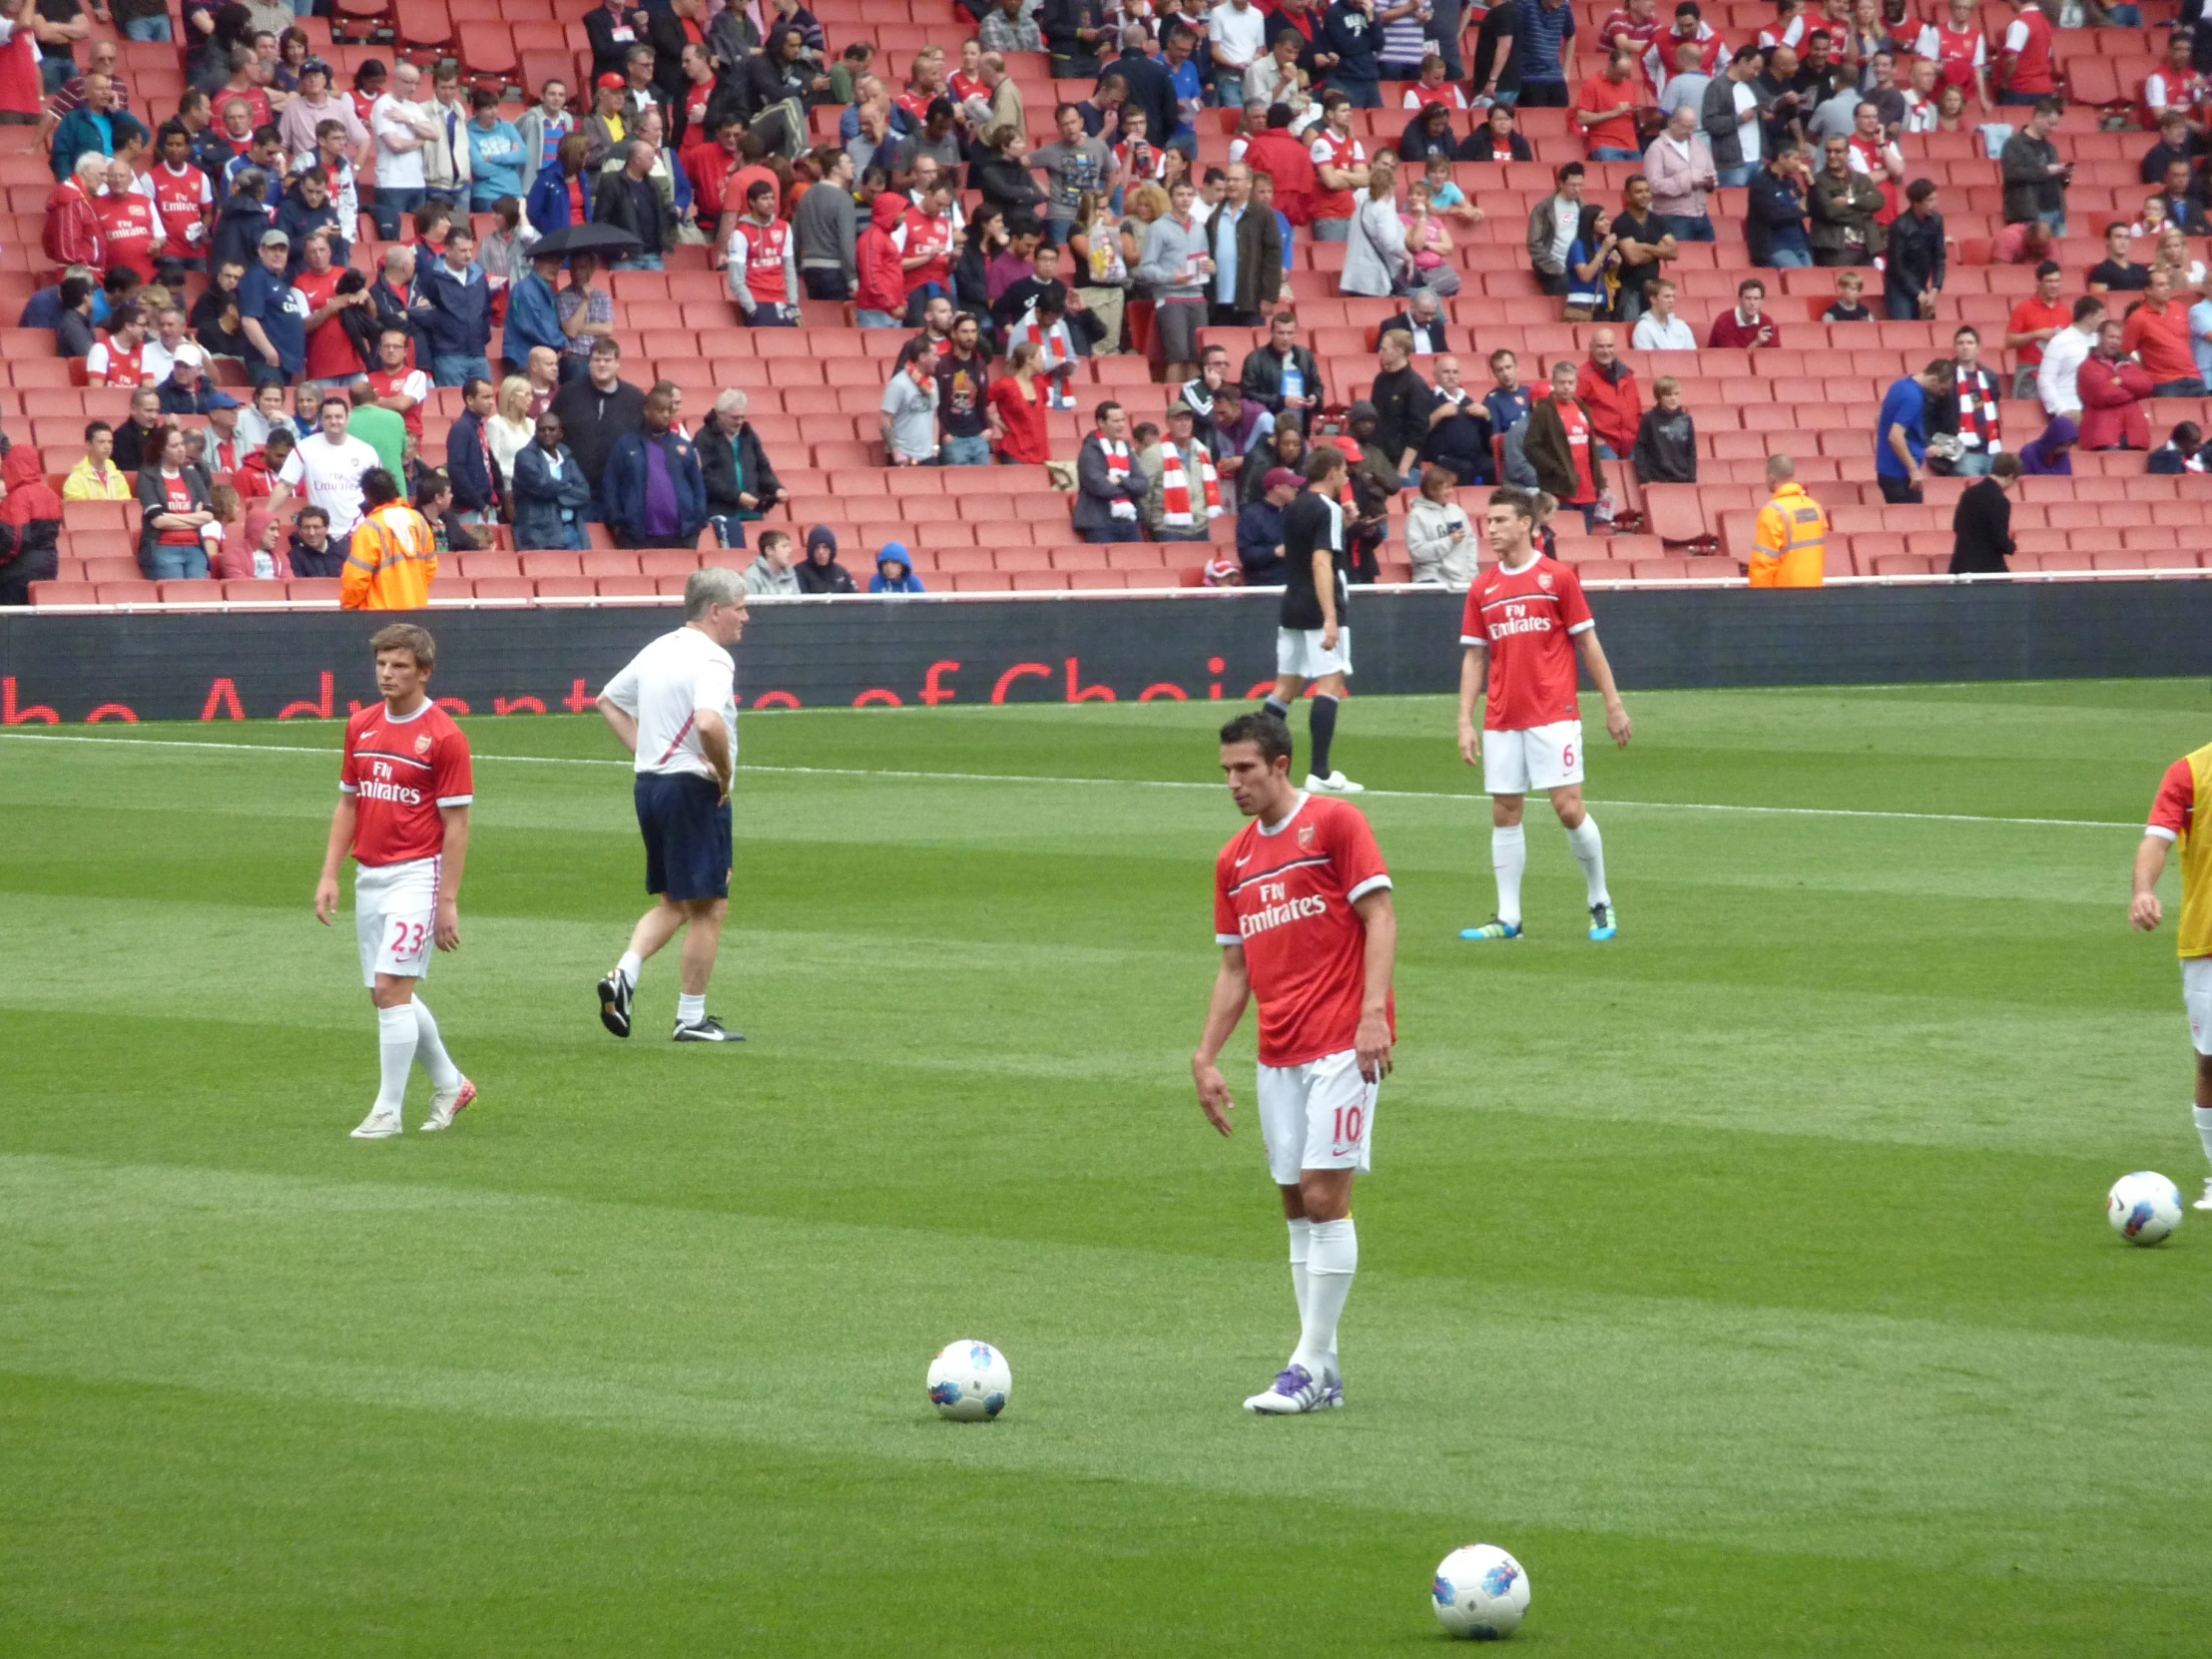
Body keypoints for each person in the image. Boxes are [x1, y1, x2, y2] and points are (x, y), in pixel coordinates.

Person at [1192, 708, 1394, 1417]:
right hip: (1277, 1050)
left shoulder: (1335, 825)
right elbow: (1235, 967)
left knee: (1321, 1195)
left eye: (1245, 769)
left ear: (1280, 765)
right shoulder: (1235, 859)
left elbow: (1381, 916)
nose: (1234, 783)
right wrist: (1207, 1054)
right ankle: (1325, 1370)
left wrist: (1374, 1013)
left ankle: (1306, 1363)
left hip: (1343, 1040)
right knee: (1292, 1205)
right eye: (1226, 772)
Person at [310, 625, 476, 1139]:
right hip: (370, 875)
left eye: (400, 666)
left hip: (417, 875)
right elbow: (348, 803)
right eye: (382, 664)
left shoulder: (445, 737)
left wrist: (446, 900)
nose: (387, 674)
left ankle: (387, 1110)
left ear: (425, 672)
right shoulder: (360, 724)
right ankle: (452, 1084)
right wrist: (329, 873)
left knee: (390, 988)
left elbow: (457, 825)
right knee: (385, 995)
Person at [1457, 485, 1630, 943]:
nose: (1490, 529)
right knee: (1505, 811)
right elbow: (1475, 657)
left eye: (1499, 521)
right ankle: (1509, 919)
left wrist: (1612, 704)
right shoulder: (1483, 588)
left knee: (1568, 808)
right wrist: (1464, 721)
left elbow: (1588, 643)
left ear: (1526, 525)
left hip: (1554, 713)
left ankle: (1600, 900)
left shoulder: (1558, 578)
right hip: (1502, 717)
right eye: (1488, 521)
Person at [594, 570, 748, 1044]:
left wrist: (648, 753)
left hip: (651, 788)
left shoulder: (658, 647)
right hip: (692, 791)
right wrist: (723, 774)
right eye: (740, 607)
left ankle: (624, 976)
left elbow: (608, 700)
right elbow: (708, 721)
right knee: (709, 906)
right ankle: (691, 1018)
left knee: (675, 901)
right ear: (715, 610)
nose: (746, 616)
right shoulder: (713, 659)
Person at [2128, 730, 2212, 1214]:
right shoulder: (2189, 773)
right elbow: (2156, 840)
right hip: (2207, 942)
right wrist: (2143, 890)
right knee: (2210, 1062)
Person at [1266, 447, 1362, 796]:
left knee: (1284, 689)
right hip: (1318, 607)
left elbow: (1302, 552)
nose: (1347, 476)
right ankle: (1319, 771)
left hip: (1291, 604)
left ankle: (1259, 763)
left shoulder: (1295, 508)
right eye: (1345, 470)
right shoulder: (1328, 509)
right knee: (1330, 684)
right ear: (1332, 471)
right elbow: (1321, 563)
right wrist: (1331, 618)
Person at [549, 337, 647, 516]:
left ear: (617, 363)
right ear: (589, 363)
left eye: (607, 360)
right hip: (575, 489)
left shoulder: (635, 398)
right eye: (596, 360)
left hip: (619, 491)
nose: (601, 365)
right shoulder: (568, 393)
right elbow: (549, 433)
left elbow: (644, 441)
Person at [603, 381, 707, 548]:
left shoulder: (683, 446)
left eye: (669, 410)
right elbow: (611, 484)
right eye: (660, 410)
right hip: (637, 536)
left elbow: (698, 486)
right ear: (646, 411)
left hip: (682, 537)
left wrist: (698, 520)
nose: (665, 415)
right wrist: (616, 521)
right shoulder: (626, 445)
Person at [274, 393, 382, 544]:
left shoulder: (366, 451)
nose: (334, 421)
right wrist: (266, 516)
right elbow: (285, 486)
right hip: (320, 535)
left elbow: (379, 491)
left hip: (358, 531)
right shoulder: (305, 448)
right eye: (328, 417)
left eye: (338, 416)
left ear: (347, 418)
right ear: (321, 419)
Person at [1522, 357, 1605, 530]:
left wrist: (1601, 482)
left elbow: (1592, 450)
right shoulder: (1544, 411)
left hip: (1588, 489)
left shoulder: (1583, 408)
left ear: (1576, 383)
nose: (1566, 387)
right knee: (1564, 541)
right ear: (1553, 383)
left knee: (1586, 541)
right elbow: (1531, 446)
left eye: (1570, 382)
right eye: (1561, 382)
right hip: (1560, 490)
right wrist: (1554, 469)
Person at [698, 388, 785, 549]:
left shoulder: (748, 436)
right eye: (734, 418)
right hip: (722, 514)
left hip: (752, 513)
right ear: (719, 414)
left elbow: (762, 467)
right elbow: (706, 477)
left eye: (742, 417)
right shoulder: (704, 438)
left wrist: (776, 488)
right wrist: (737, 496)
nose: (739, 422)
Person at [342, 467, 438, 609]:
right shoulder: (418, 520)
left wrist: (348, 605)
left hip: (380, 615)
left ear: (368, 495)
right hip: (417, 610)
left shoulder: (370, 528)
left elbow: (356, 578)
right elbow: (430, 567)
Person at [135, 423, 216, 578]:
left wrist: (170, 517)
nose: (181, 449)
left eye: (182, 444)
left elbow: (208, 515)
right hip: (163, 548)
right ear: (161, 450)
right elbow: (158, 521)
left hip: (195, 548)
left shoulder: (192, 475)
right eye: (174, 446)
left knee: (200, 599)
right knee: (177, 596)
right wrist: (194, 518)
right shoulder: (148, 476)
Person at [1876, 359, 1952, 503]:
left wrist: (1919, 450)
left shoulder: (1899, 386)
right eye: (1943, 389)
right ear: (1934, 379)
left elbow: (1879, 419)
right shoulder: (1914, 397)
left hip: (1887, 469)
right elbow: (1895, 436)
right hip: (1901, 475)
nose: (1942, 394)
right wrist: (1913, 469)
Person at [511, 411, 591, 551]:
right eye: (542, 429)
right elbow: (542, 486)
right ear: (536, 432)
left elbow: (584, 492)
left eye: (551, 429)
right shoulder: (524, 457)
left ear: (560, 433)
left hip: (572, 530)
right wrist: (569, 488)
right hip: (540, 535)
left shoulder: (567, 457)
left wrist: (556, 493)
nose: (546, 433)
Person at [2124, 267, 2208, 397]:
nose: (2167, 288)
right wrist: (2143, 372)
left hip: (2194, 378)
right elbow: (2124, 352)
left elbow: (2188, 339)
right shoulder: (2137, 318)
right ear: (2148, 291)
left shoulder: (2179, 308)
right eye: (2161, 285)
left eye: (2168, 283)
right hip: (2165, 384)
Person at [1072, 399, 1149, 541]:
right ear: (1101, 423)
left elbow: (1143, 484)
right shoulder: (1090, 450)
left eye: (1122, 420)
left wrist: (1120, 480)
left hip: (1128, 520)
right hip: (1100, 523)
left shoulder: (1125, 448)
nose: (1121, 425)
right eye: (1115, 421)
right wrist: (1130, 488)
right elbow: (1100, 486)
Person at [1746, 452, 1827, 586]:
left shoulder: (1772, 512)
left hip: (1785, 597)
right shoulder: (1815, 508)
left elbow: (1763, 563)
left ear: (1772, 479)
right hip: (1815, 591)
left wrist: (1759, 599)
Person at [2078, 318, 2154, 451]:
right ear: (2100, 337)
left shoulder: (2129, 362)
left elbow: (2147, 385)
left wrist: (2121, 381)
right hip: (2103, 435)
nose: (2115, 341)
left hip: (2134, 434)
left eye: (2118, 338)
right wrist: (2134, 393)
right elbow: (2104, 395)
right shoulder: (2087, 366)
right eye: (2111, 337)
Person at [1643, 103, 1715, 242]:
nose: (1690, 132)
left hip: (1701, 214)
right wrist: (1687, 183)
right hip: (1673, 217)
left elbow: (1711, 171)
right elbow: (1653, 185)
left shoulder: (1698, 144)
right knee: (1681, 261)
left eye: (1693, 127)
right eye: (1686, 127)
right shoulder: (1656, 149)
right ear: (1673, 123)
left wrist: (1709, 182)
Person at [1998, 99, 2067, 236]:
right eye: (2050, 124)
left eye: (2055, 125)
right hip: (2029, 214)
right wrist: (2046, 171)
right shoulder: (2014, 144)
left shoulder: (2050, 148)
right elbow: (2012, 173)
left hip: (2056, 211)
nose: (2053, 129)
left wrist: (2065, 176)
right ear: (2038, 117)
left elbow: (2057, 182)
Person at [1947, 451, 2020, 574]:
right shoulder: (2000, 501)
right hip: (1987, 569)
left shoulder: (1968, 493)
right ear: (2010, 477)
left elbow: (1956, 526)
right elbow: (2000, 539)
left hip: (1961, 566)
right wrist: (2012, 546)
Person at [1576, 327, 1641, 461]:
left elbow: (1637, 410)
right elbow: (1573, 413)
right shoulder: (1582, 377)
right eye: (1600, 346)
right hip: (1604, 445)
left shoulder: (1627, 375)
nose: (1606, 351)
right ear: (1591, 347)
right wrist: (1591, 438)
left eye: (1609, 346)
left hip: (1631, 443)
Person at [1884, 177, 1943, 321]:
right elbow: (1897, 266)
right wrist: (1917, 292)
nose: (1934, 205)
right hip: (1899, 287)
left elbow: (1939, 256)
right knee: (1905, 326)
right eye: (1929, 201)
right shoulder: (1900, 226)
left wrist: (1935, 288)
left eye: (1934, 199)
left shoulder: (1936, 221)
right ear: (1916, 203)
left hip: (1921, 283)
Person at [1404, 465, 1476, 585]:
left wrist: (1472, 574)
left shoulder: (1457, 511)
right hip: (1431, 581)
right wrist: (1448, 541)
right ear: (1431, 491)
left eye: (1451, 487)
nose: (1451, 492)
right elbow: (1417, 553)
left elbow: (1470, 543)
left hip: (1462, 581)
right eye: (1446, 488)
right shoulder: (1417, 516)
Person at [2038, 295, 2104, 421]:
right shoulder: (2060, 342)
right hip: (2070, 408)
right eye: (2099, 317)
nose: (2103, 321)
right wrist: (2060, 409)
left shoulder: (2100, 341)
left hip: (2097, 409)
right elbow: (2045, 379)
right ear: (2088, 317)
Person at [1525, 162, 1583, 295]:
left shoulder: (1582, 207)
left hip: (1577, 266)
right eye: (1572, 185)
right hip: (1552, 268)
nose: (1577, 189)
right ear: (1561, 184)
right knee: (1566, 285)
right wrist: (1556, 268)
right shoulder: (1544, 208)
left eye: (1580, 185)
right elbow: (1534, 244)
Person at [1630, 375, 1696, 483]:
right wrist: (1645, 478)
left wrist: (1691, 477)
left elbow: (1691, 450)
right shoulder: (1649, 419)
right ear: (1659, 397)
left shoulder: (1686, 419)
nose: (1673, 398)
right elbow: (1641, 448)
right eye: (1668, 395)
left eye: (1676, 394)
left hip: (1682, 478)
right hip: (1657, 478)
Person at [63, 419, 131, 500]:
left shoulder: (118, 476)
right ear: (88, 445)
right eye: (101, 442)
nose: (107, 446)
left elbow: (125, 504)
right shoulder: (75, 480)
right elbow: (80, 510)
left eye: (110, 442)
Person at [1709, 276, 1779, 349]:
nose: (1752, 303)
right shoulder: (1724, 321)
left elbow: (1774, 355)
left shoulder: (1767, 321)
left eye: (1756, 299)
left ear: (1762, 302)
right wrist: (1757, 342)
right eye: (1748, 298)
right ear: (1739, 300)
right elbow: (1735, 359)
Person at [1632, 276, 1695, 348]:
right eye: (1667, 296)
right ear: (1653, 299)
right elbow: (1646, 357)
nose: (1671, 301)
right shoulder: (1643, 327)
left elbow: (1692, 354)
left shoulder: (1681, 325)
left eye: (1673, 297)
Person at [793, 525, 856, 594]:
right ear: (811, 550)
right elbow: (803, 601)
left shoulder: (841, 572)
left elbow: (856, 598)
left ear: (832, 550)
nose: (821, 552)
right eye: (817, 548)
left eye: (825, 547)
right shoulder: (800, 571)